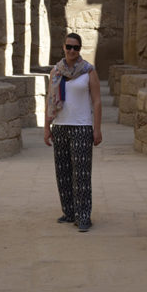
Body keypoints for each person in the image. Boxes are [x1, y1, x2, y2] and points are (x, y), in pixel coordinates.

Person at [43, 32, 103, 232]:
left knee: (82, 174)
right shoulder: (56, 71)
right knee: (63, 173)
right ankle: (69, 212)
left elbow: (96, 101)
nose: (72, 51)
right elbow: (50, 100)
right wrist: (47, 128)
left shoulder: (88, 71)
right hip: (60, 126)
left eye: (76, 48)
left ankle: (83, 216)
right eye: (69, 46)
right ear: (63, 47)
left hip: (82, 127)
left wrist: (97, 129)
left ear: (80, 50)